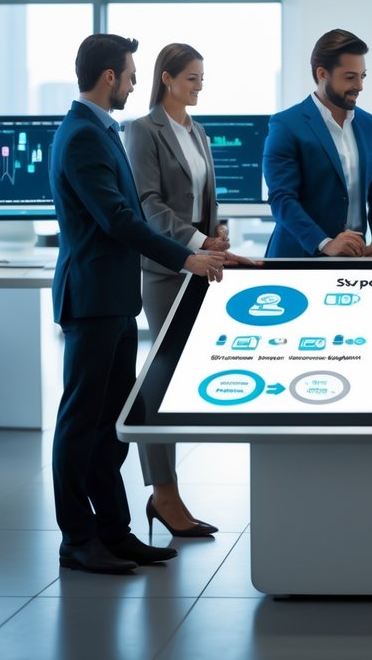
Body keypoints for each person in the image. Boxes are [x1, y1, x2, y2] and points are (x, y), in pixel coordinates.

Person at [50, 33, 229, 574]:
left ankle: (115, 530)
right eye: (129, 73)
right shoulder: (83, 135)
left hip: (115, 298)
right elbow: (121, 219)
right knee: (81, 424)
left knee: (110, 424)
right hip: (94, 299)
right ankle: (77, 539)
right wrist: (186, 257)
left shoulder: (100, 132)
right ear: (109, 77)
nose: (134, 81)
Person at [124, 42, 228, 539]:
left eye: (202, 78)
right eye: (191, 77)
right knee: (161, 381)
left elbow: (202, 198)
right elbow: (146, 202)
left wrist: (216, 234)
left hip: (201, 266)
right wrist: (195, 240)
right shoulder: (142, 131)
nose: (199, 85)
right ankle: (163, 493)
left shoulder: (198, 131)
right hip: (166, 270)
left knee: (184, 379)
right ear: (166, 79)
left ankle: (168, 492)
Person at [262, 28, 372, 258]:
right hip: (298, 258)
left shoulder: (371, 125)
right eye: (350, 77)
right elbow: (282, 198)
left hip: (355, 260)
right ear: (323, 74)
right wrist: (325, 243)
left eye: (362, 76)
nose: (360, 86)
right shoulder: (286, 124)